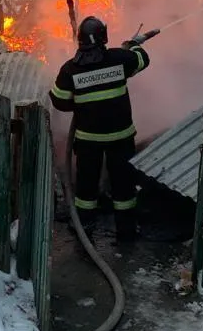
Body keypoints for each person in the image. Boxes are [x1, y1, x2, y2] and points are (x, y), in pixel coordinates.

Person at [48, 15, 151, 242]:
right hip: (120, 139)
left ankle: (84, 227)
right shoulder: (119, 58)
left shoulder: (70, 69)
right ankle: (126, 231)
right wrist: (132, 45)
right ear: (104, 37)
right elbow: (142, 60)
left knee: (86, 187)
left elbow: (59, 101)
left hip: (88, 141)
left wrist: (82, 101)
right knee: (123, 187)